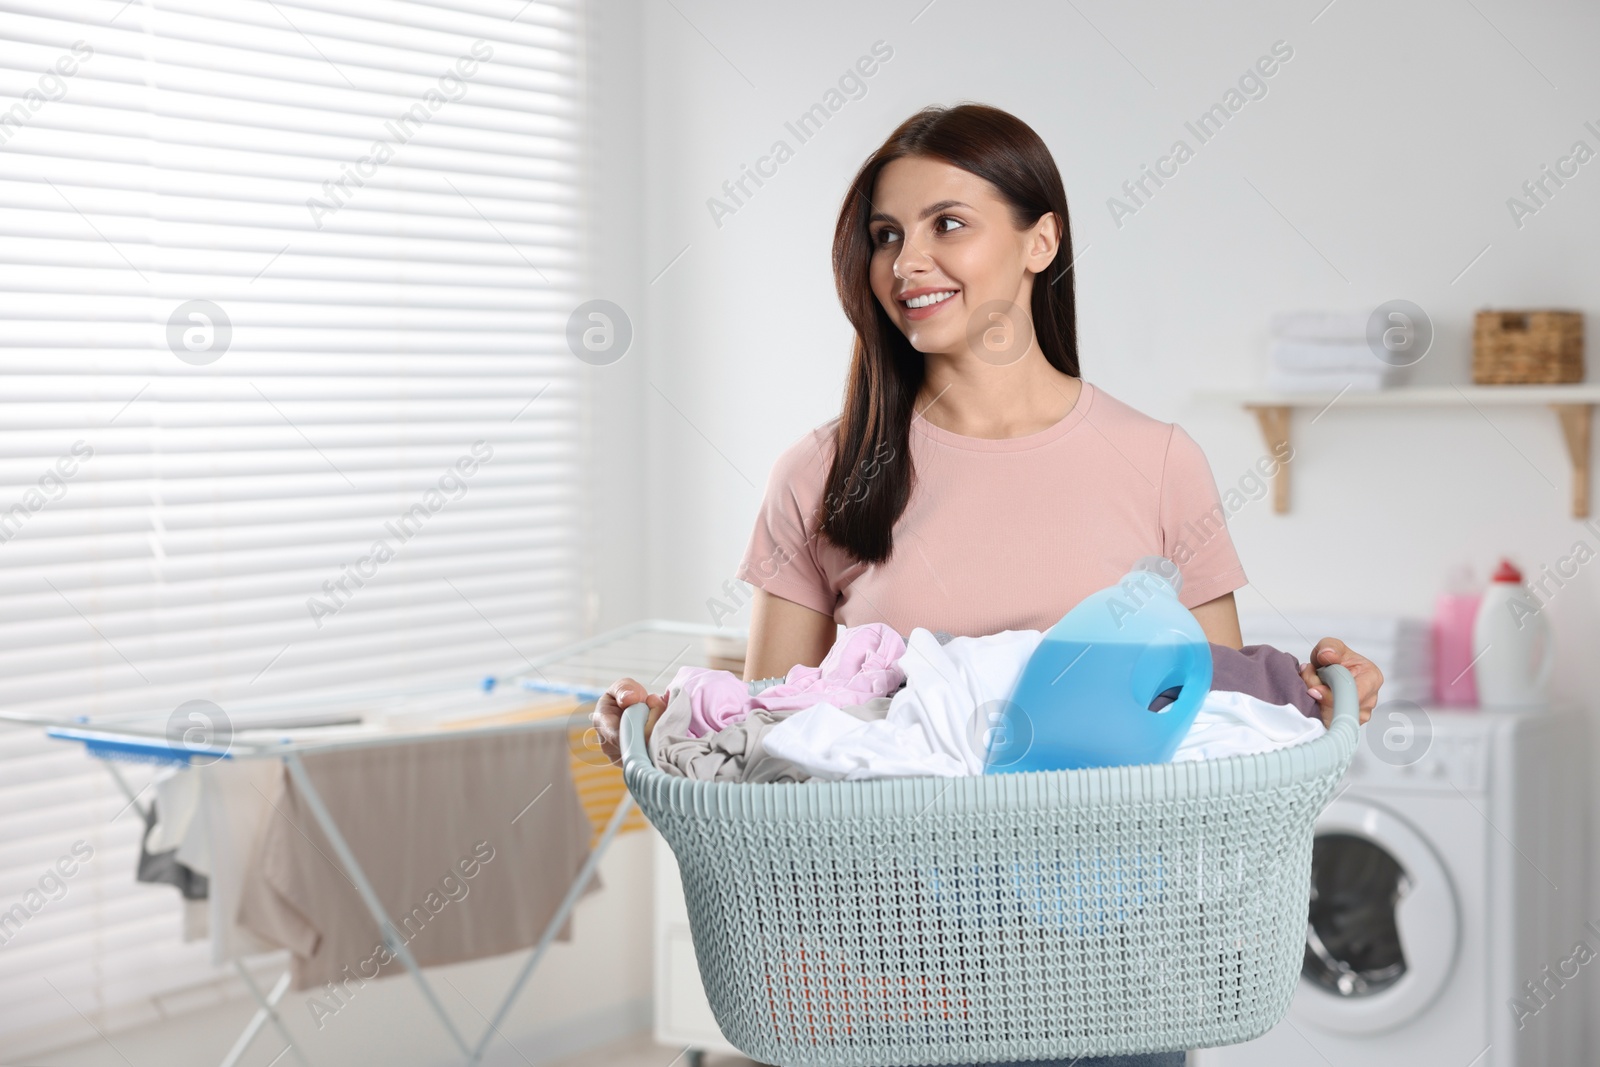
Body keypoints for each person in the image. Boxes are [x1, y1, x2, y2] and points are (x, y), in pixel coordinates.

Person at [593, 103, 1383, 1067]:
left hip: (1111, 977)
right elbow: (778, 742)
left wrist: (1312, 692)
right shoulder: (821, 475)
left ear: (1041, 239)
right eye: (886, 235)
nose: (905, 262)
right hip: (883, 971)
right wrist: (673, 721)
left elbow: (1209, 728)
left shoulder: (1160, 463)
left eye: (947, 224)